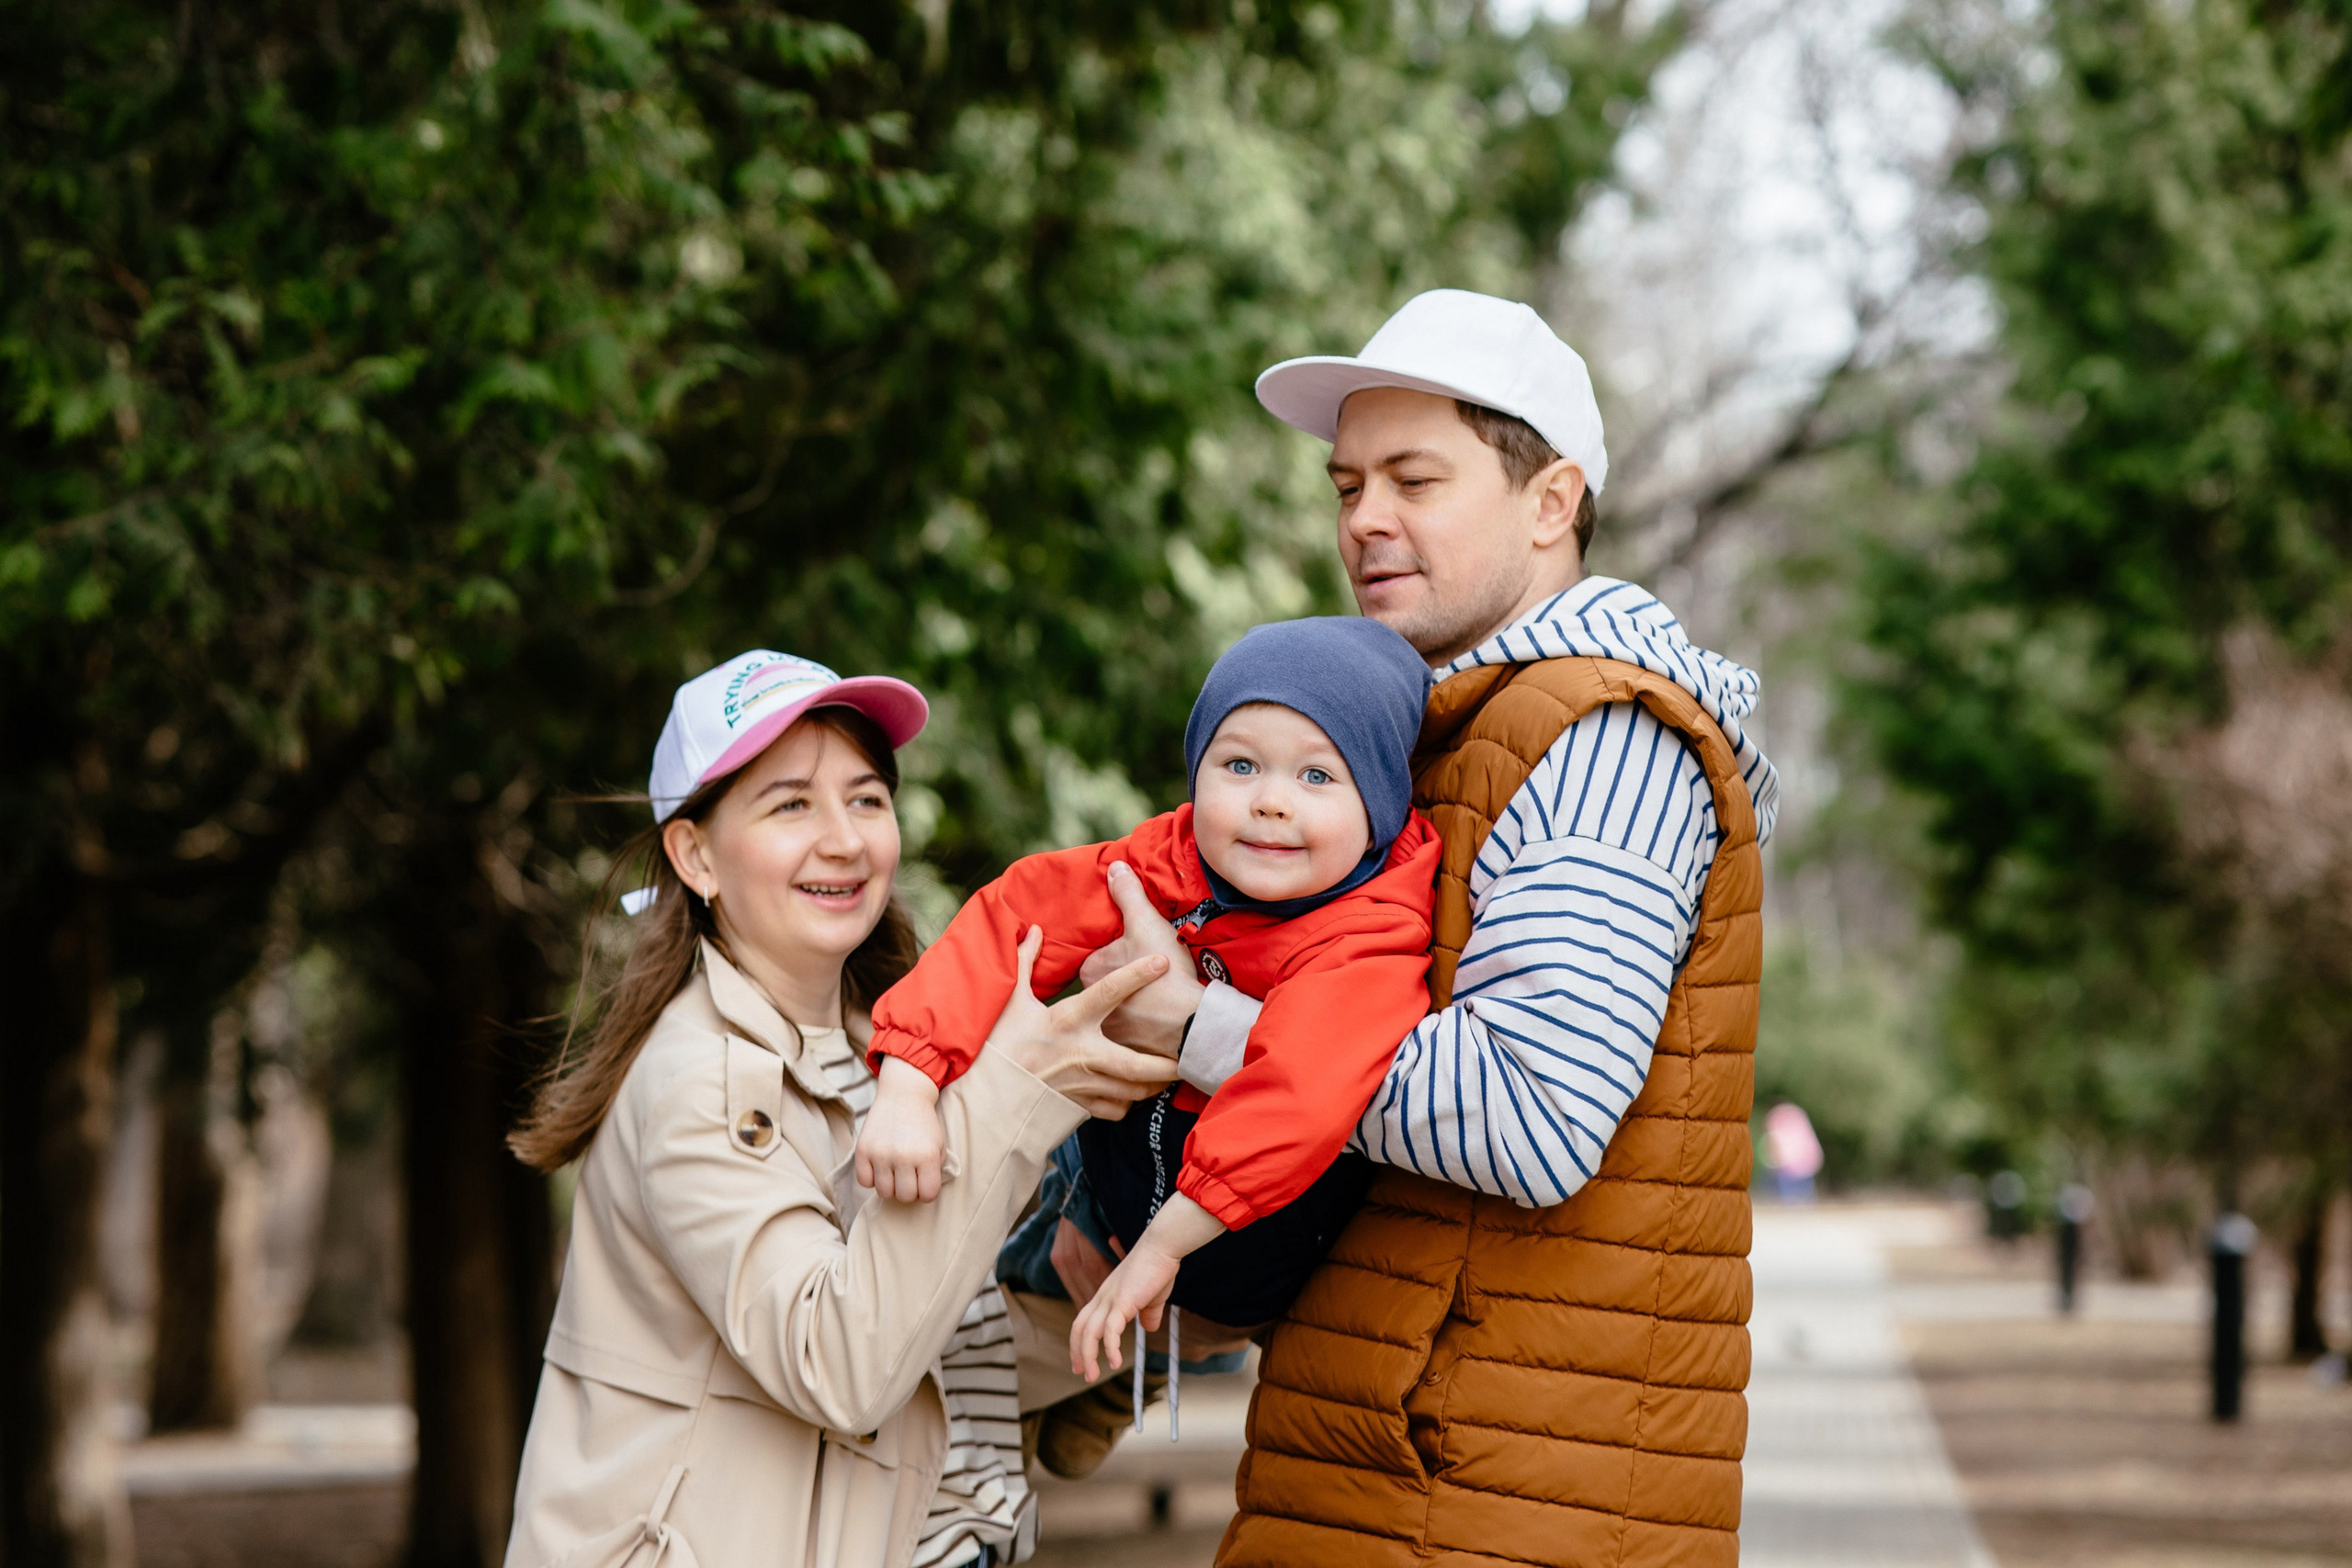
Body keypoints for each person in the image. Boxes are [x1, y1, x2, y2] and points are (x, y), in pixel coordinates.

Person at [1071, 290, 1781, 1568]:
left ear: (1551, 501)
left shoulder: (1602, 739)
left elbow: (1532, 1112)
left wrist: (1203, 1027)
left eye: (1416, 477)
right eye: (1348, 483)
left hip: (1498, 1500)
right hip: (1387, 1470)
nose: (1363, 520)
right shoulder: (1420, 746)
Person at [502, 649, 1178, 1568]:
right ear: (695, 854)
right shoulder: (697, 1081)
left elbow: (933, 1341)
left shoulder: (887, 1051)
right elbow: (841, 1367)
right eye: (790, 805)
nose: (845, 839)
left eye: (865, 798)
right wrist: (1019, 1094)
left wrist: (1161, 1311)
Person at [849, 617, 1441, 1385]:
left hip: (1243, 1228)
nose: (1270, 801)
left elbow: (1297, 1092)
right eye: (1239, 764)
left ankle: (1115, 1371)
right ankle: (1057, 1369)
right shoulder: (1172, 862)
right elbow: (1017, 912)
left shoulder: (1368, 935)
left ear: (1381, 805)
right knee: (985, 1276)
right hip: (1119, 1177)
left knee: (1133, 1313)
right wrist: (908, 1078)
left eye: (1318, 777)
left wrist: (1162, 1246)